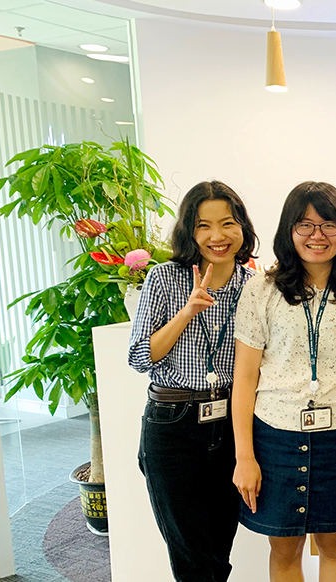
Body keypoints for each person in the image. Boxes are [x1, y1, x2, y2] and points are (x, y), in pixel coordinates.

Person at [231, 181, 336, 582]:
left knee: (335, 545)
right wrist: (244, 457)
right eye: (305, 225)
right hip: (274, 438)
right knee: (284, 549)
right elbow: (244, 380)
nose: (317, 236)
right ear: (289, 230)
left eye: (328, 224)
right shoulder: (261, 291)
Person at [129, 180, 258, 582]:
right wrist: (186, 311)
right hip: (173, 425)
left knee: (219, 549)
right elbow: (138, 357)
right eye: (204, 226)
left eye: (228, 223)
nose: (217, 236)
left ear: (242, 228)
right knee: (192, 556)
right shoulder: (165, 278)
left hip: (231, 425)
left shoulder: (254, 287)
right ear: (190, 230)